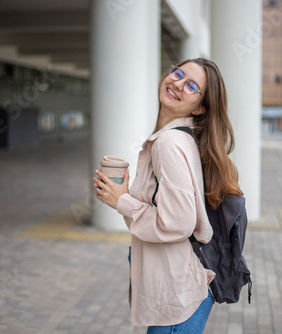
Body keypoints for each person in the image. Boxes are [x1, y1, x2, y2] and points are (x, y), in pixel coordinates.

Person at [93, 58, 242, 333]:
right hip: (179, 290)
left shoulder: (170, 143)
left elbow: (178, 221)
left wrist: (121, 201)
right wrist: (123, 196)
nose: (177, 83)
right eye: (178, 73)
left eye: (191, 85)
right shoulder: (178, 137)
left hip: (178, 297)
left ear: (199, 107)